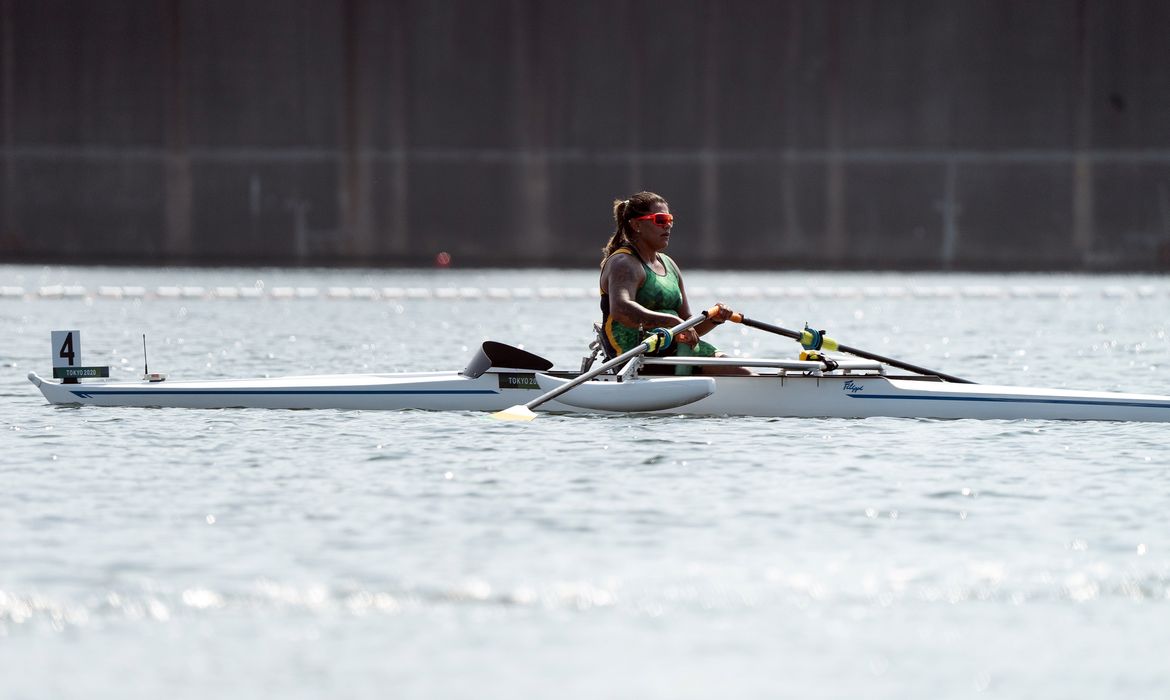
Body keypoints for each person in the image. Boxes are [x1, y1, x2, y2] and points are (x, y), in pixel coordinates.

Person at [598, 191, 749, 376]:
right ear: (637, 224)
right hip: (636, 356)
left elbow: (688, 326)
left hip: (673, 349)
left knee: (744, 372)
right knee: (741, 374)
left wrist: (714, 320)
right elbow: (621, 309)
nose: (668, 225)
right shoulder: (623, 263)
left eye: (670, 219)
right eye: (660, 219)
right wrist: (672, 322)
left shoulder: (669, 265)